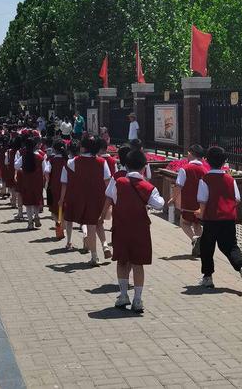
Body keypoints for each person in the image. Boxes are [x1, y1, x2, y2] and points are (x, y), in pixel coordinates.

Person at [100, 148, 165, 313]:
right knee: (138, 263)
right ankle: (137, 299)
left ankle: (123, 295)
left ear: (126, 166)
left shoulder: (118, 181)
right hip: (140, 229)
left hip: (120, 227)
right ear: (144, 167)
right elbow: (159, 204)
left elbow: (110, 196)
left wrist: (101, 217)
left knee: (122, 261)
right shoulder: (148, 186)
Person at [195, 145, 242, 291]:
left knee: (207, 247)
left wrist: (201, 214)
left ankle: (207, 277)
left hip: (211, 219)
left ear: (207, 161)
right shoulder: (230, 179)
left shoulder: (205, 179)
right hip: (228, 218)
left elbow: (202, 200)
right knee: (230, 246)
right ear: (224, 161)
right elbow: (237, 199)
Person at [59, 134, 111, 265]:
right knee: (99, 222)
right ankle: (105, 245)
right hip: (99, 197)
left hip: (84, 198)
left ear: (82, 148)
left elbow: (66, 169)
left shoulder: (73, 162)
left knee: (91, 226)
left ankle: (94, 256)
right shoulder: (102, 162)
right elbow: (107, 182)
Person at [172, 144, 207, 257]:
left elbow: (179, 185)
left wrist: (173, 198)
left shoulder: (185, 169)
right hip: (201, 204)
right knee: (197, 224)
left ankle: (194, 239)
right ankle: (201, 248)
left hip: (188, 202)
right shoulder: (205, 170)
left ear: (191, 154)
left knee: (184, 223)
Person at [15, 136, 45, 229]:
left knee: (28, 202)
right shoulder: (40, 157)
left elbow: (16, 166)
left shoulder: (23, 156)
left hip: (27, 182)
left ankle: (30, 222)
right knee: (36, 200)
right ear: (35, 145)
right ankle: (36, 216)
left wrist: (22, 169)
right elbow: (44, 170)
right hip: (37, 182)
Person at [45, 139, 68, 222]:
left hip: (54, 186)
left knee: (55, 207)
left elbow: (47, 172)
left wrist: (48, 181)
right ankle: (64, 226)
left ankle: (59, 227)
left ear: (54, 149)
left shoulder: (51, 160)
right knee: (65, 207)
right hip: (67, 186)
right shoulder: (68, 159)